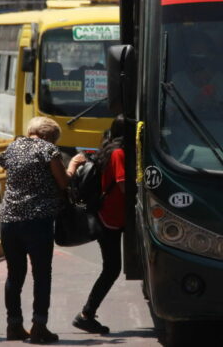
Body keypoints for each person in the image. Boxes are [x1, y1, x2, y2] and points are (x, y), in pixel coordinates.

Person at [0, 117, 86, 344]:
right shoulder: (48, 149)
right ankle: (39, 326)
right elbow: (64, 182)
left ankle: (14, 325)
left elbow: (7, 166)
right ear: (49, 136)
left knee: (14, 275)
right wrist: (74, 165)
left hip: (9, 220)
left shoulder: (13, 147)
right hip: (37, 220)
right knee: (41, 274)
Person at [72, 115, 127, 335]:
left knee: (112, 267)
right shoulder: (119, 153)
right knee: (112, 268)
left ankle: (88, 312)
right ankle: (86, 314)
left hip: (111, 215)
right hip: (111, 217)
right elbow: (123, 185)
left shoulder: (108, 149)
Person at [170, 35, 223, 114]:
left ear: (212, 56)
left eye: (200, 53)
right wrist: (194, 105)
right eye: (193, 54)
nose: (197, 58)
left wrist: (215, 105)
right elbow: (169, 116)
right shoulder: (177, 81)